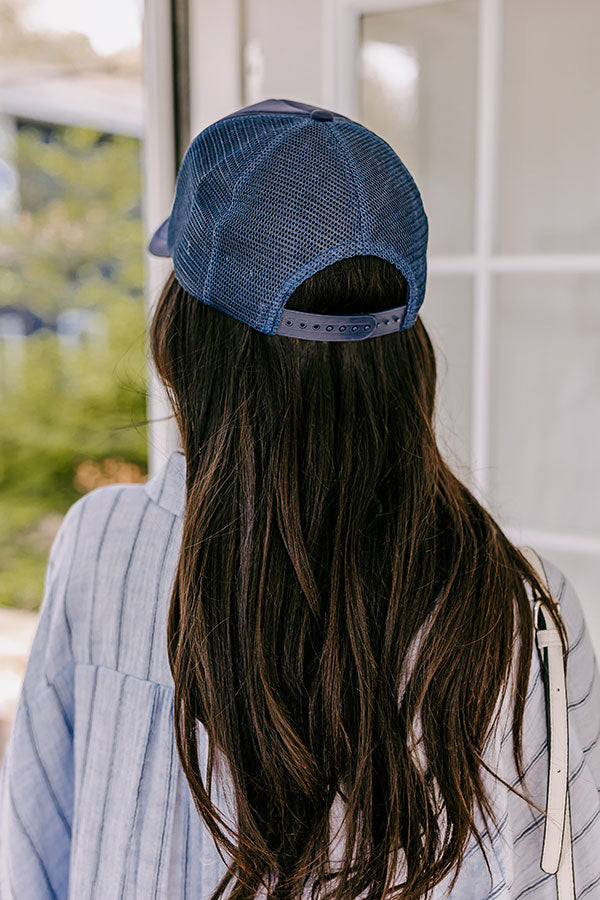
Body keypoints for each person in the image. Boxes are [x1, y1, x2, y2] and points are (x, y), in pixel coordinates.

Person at [0, 97, 599, 900]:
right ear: (406, 353)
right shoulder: (522, 608)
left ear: (186, 340)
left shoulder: (106, 546)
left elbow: (30, 859)